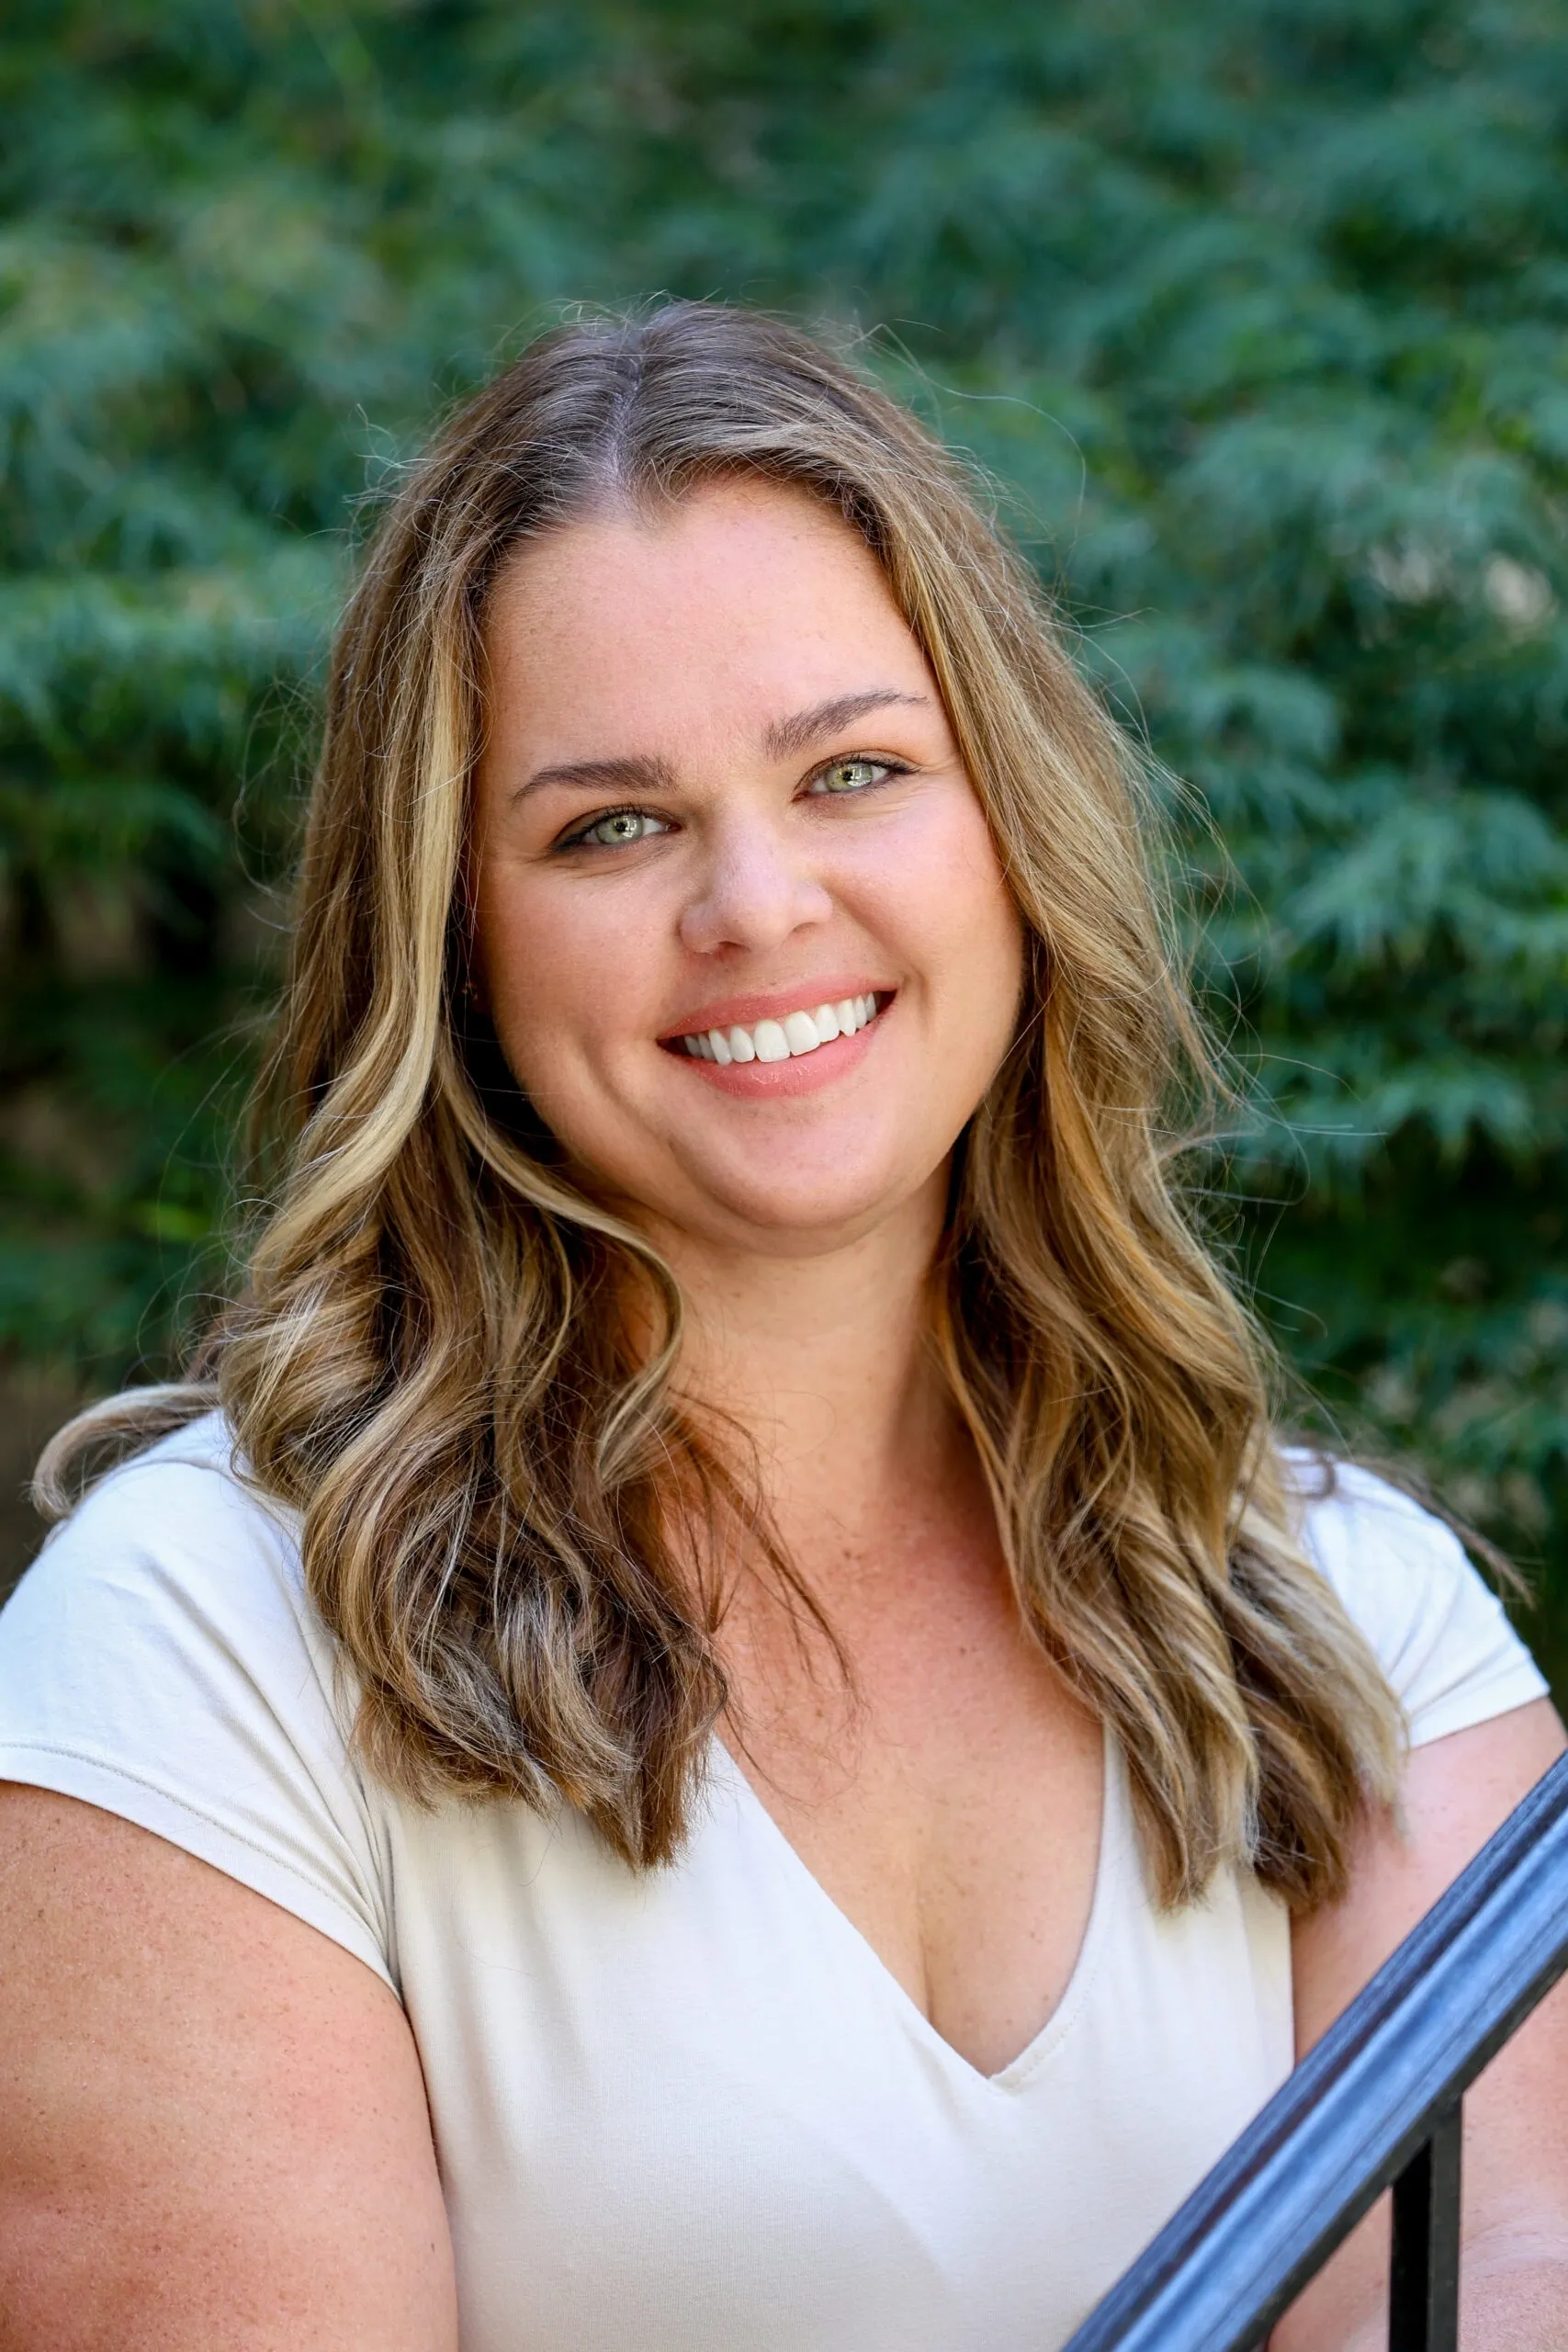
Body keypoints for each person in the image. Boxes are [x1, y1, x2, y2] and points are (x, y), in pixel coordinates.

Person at [0, 303, 1563, 2352]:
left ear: (1006, 830)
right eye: (610, 824)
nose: (757, 902)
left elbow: (1491, 2282)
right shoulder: (197, 1657)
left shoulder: (1350, 1616)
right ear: (454, 936)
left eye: (852, 771)